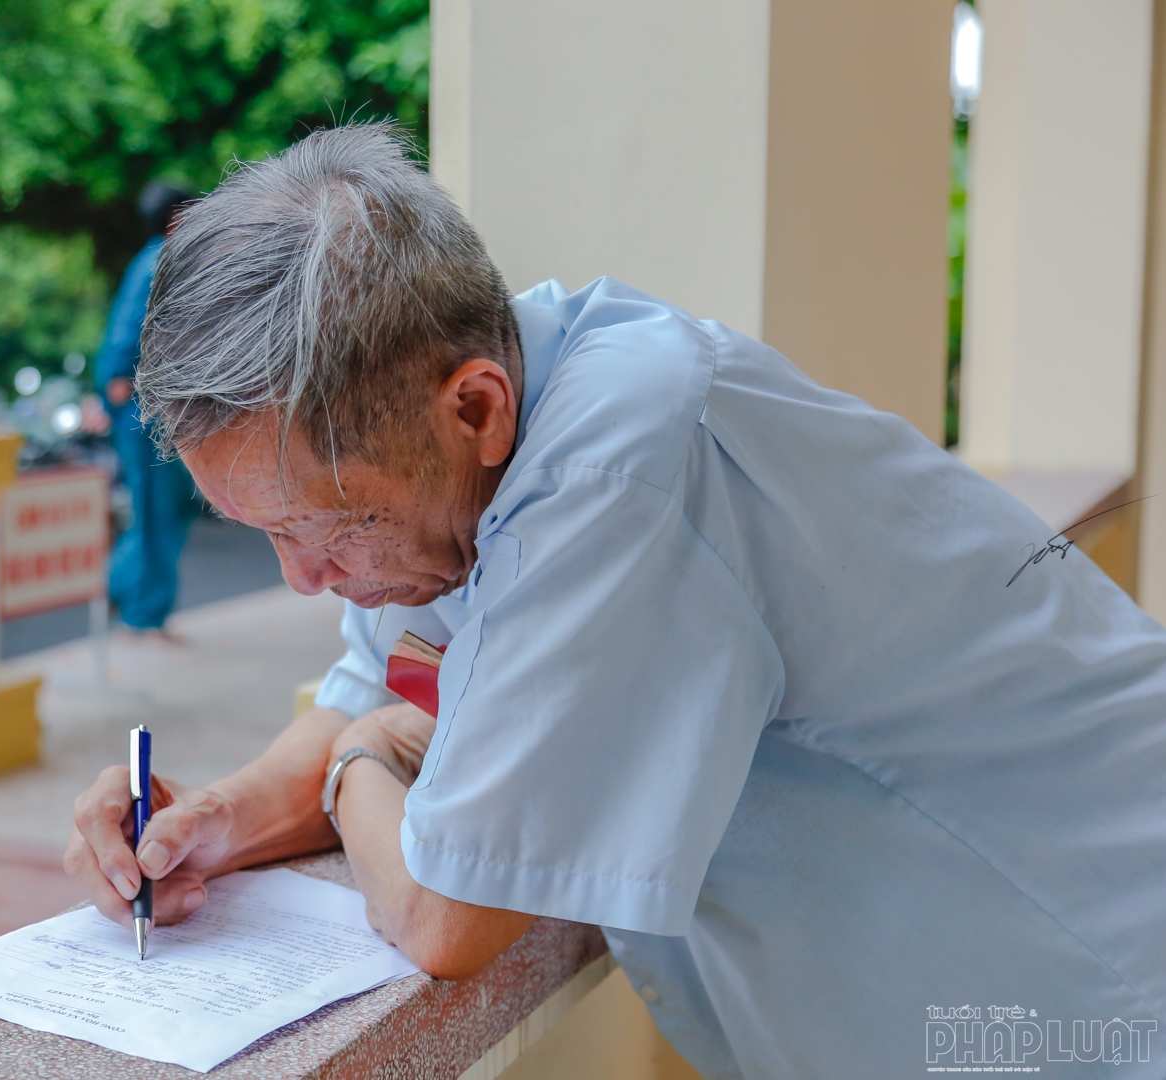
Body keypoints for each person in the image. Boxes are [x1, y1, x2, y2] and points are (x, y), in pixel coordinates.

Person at [64, 125, 1166, 1077]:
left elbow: (449, 912)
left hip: (1096, 950)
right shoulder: (440, 446)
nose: (304, 580)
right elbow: (379, 681)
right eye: (270, 535)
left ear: (478, 409)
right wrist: (214, 822)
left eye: (330, 528)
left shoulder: (611, 465)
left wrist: (358, 760)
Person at [94, 181, 200, 636]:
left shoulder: (160, 260)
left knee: (167, 508)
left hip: (152, 408)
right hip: (145, 412)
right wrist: (118, 390)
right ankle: (143, 614)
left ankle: (119, 587)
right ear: (176, 217)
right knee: (158, 511)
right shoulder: (159, 261)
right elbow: (125, 336)